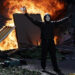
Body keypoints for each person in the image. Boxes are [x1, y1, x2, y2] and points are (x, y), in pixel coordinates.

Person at [23, 7, 70, 75]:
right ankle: (43, 67)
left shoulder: (53, 23)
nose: (47, 18)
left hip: (51, 42)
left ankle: (56, 68)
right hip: (44, 42)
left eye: (48, 17)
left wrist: (67, 18)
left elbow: (61, 22)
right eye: (46, 17)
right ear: (44, 18)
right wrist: (26, 14)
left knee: (53, 56)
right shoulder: (42, 24)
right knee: (43, 55)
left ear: (50, 18)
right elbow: (33, 20)